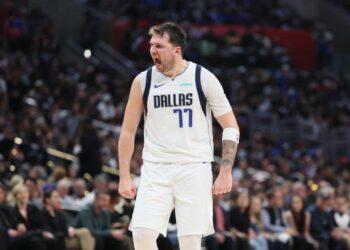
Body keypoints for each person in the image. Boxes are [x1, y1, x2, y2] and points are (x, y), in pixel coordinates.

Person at [118, 22, 240, 250]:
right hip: (156, 167)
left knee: (190, 242)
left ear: (177, 49)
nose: (153, 50)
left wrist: (225, 171)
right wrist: (124, 174)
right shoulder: (142, 81)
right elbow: (127, 131)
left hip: (194, 167)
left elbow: (231, 127)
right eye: (151, 45)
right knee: (142, 236)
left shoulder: (203, 78)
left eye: (159, 46)